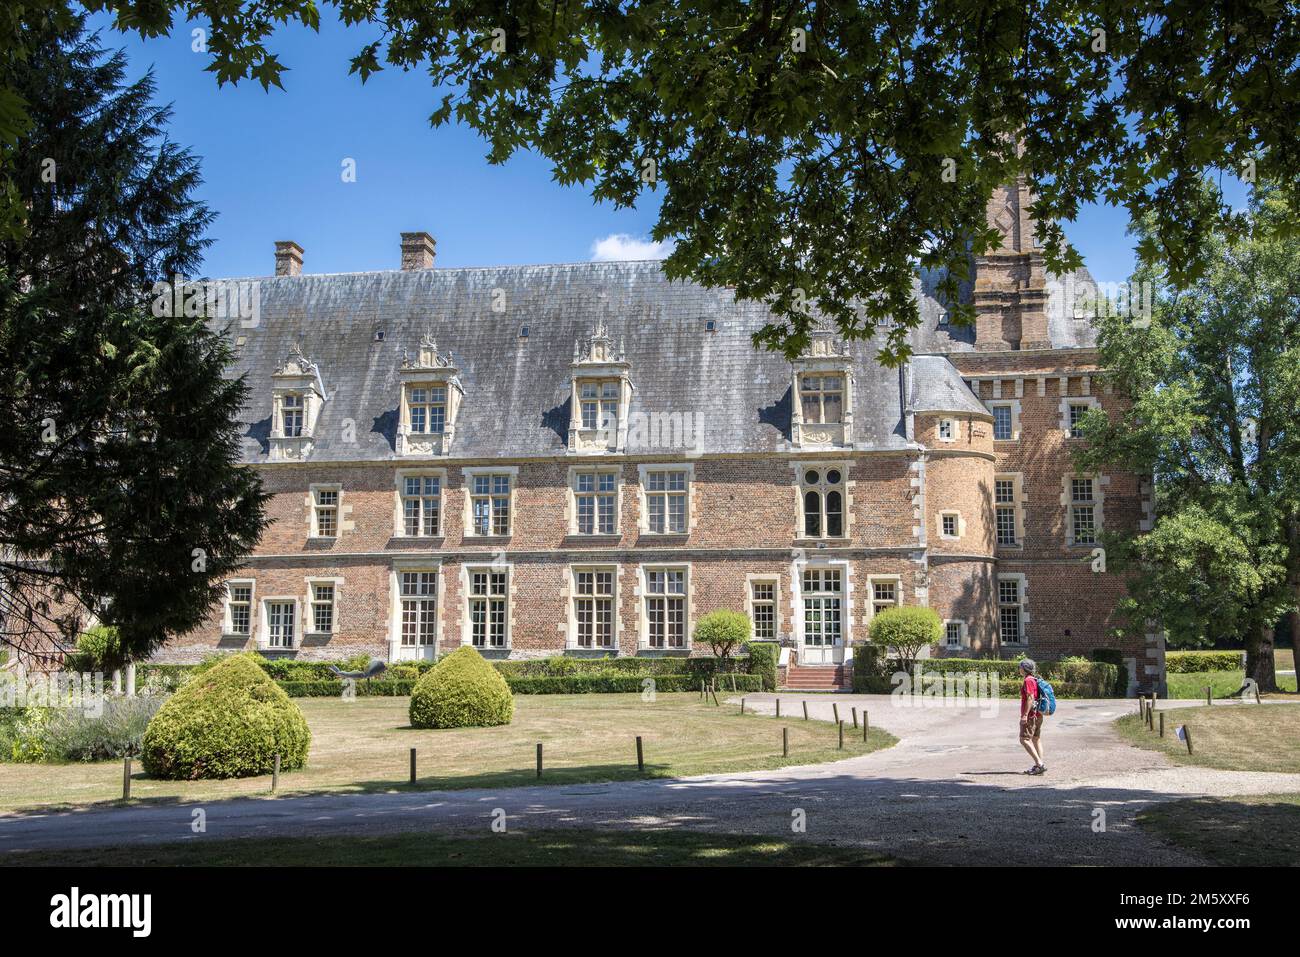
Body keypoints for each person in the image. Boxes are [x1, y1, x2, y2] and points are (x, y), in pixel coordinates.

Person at [1018, 658, 1046, 775]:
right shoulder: (1035, 679)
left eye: (1020, 667)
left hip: (1031, 715)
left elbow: (1030, 697)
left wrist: (1025, 715)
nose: (1018, 669)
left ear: (1024, 669)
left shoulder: (1028, 680)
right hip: (1038, 714)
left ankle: (1039, 764)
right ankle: (1039, 765)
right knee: (1035, 739)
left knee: (1024, 739)